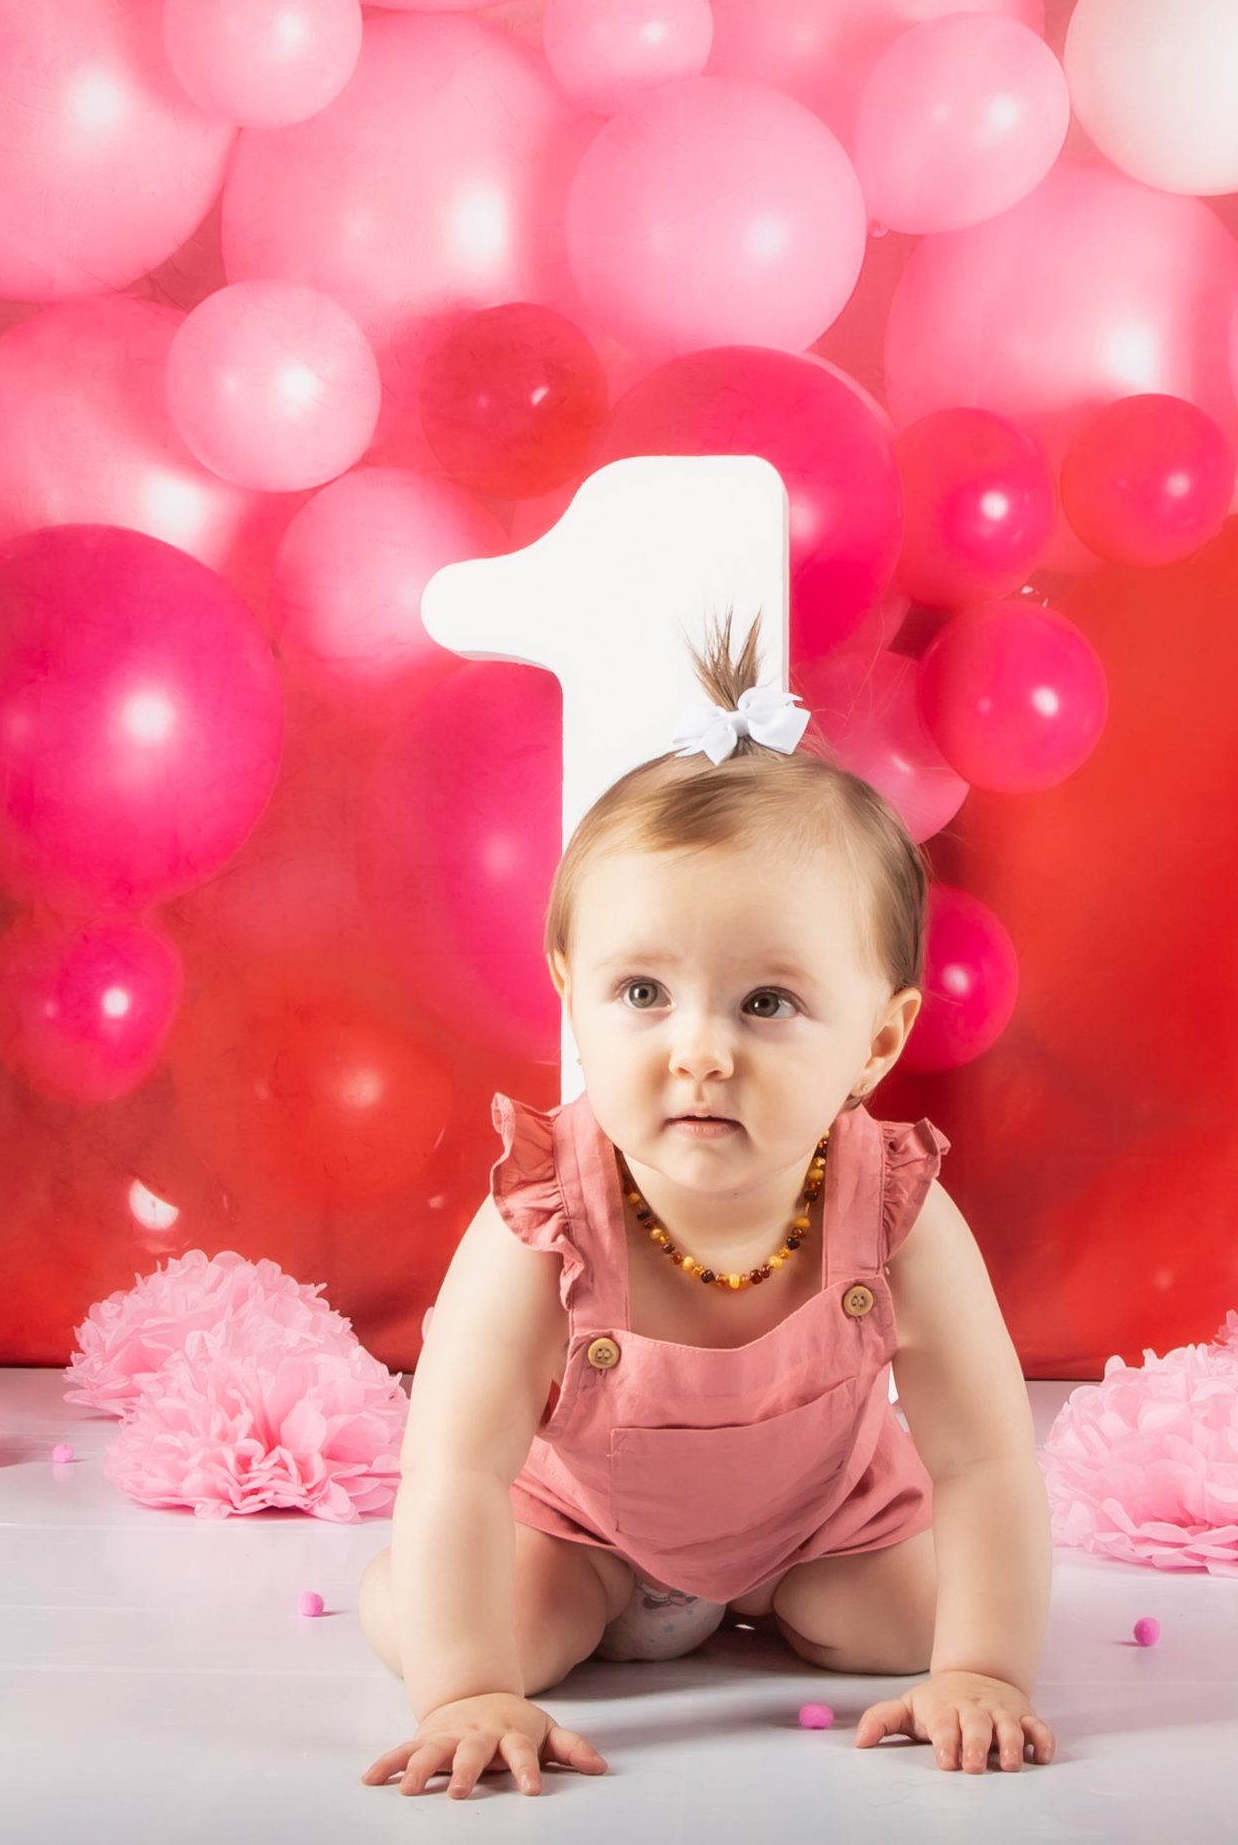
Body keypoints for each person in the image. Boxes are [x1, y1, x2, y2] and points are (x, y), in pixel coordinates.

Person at [359, 619, 1058, 1798]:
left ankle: (777, 1593)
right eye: (643, 992)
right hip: (581, 1527)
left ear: (876, 1041)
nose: (698, 1052)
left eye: (766, 1003)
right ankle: (439, 1603)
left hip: (821, 1523)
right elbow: (456, 1468)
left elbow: (983, 1458)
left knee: (918, 1621)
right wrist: (465, 1690)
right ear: (571, 995)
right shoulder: (543, 1220)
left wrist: (982, 1671)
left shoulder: (895, 1213)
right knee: (508, 1634)